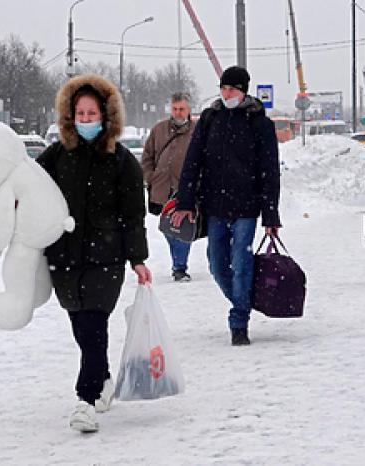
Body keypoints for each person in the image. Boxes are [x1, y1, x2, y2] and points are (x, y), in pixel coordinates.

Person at [36, 74, 151, 433]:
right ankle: (101, 378)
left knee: (94, 324)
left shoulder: (121, 161)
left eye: (92, 114)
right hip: (64, 256)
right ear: (71, 117)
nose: (86, 120)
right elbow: (30, 190)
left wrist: (138, 259)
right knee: (81, 327)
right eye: (80, 114)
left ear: (106, 115)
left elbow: (134, 214)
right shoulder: (56, 156)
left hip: (106, 256)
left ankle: (85, 399)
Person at [170, 65, 281, 346]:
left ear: (243, 90)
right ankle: (243, 300)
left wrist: (270, 215)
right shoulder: (211, 118)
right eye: (223, 87)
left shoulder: (259, 122)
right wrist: (185, 201)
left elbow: (269, 171)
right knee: (218, 264)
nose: (226, 92)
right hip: (215, 206)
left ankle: (239, 321)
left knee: (242, 264)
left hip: (246, 206)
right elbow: (193, 161)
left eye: (232, 88)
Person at [142, 92, 196, 282]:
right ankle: (178, 262)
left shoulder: (197, 131)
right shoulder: (159, 130)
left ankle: (179, 267)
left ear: (188, 109)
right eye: (175, 109)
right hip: (162, 187)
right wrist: (150, 177)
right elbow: (147, 156)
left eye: (182, 109)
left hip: (186, 189)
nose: (178, 113)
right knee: (166, 227)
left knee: (183, 225)